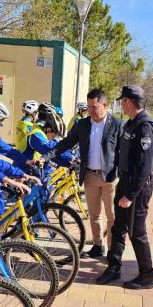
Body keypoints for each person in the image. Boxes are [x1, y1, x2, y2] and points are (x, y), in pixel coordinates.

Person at [96, 85, 153, 290]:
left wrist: (130, 195)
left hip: (137, 189)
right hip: (125, 183)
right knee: (118, 228)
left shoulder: (145, 127)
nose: (121, 104)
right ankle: (114, 267)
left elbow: (144, 167)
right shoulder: (131, 124)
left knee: (136, 232)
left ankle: (147, 275)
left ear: (129, 102)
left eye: (122, 100)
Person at [49, 89, 123, 258]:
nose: (91, 110)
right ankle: (98, 245)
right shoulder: (83, 124)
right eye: (89, 107)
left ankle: (112, 251)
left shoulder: (117, 125)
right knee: (94, 215)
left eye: (94, 107)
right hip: (89, 177)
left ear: (104, 105)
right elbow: (66, 143)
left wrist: (121, 175)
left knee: (112, 217)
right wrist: (47, 157)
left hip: (110, 178)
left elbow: (123, 152)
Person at [15, 103, 74, 177]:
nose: (53, 138)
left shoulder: (40, 130)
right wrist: (70, 162)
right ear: (48, 129)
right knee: (46, 184)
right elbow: (50, 151)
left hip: (30, 167)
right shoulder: (36, 135)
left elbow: (53, 146)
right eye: (53, 135)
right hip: (22, 170)